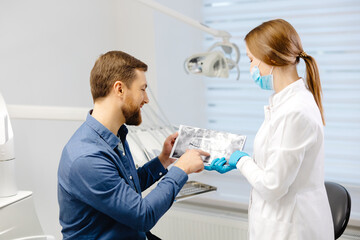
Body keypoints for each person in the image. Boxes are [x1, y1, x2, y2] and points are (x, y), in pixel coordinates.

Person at [57, 50, 209, 240]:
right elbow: (142, 216)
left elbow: (124, 189)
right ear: (119, 89)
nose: (146, 99)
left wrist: (163, 160)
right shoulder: (86, 158)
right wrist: (181, 168)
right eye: (142, 89)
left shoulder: (116, 135)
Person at [205, 19, 334, 239]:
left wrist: (242, 161)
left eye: (251, 60)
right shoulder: (285, 104)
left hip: (293, 229)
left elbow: (273, 187)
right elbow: (276, 165)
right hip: (282, 222)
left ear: (271, 59)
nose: (251, 68)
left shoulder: (294, 111)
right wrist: (238, 162)